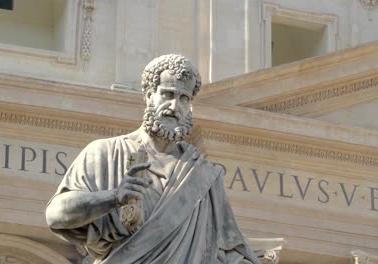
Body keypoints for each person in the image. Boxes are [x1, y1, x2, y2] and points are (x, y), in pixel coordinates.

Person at [45, 54, 260, 264]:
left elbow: (229, 250)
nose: (175, 107)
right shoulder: (105, 152)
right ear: (149, 95)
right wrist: (113, 197)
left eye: (184, 98)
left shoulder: (203, 175)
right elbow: (56, 215)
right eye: (167, 94)